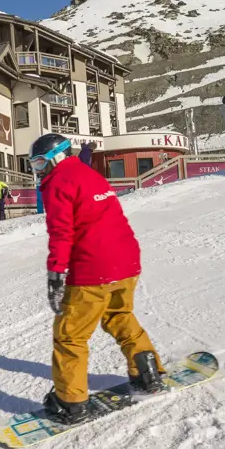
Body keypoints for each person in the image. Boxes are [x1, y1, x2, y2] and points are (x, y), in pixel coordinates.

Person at [30, 133, 166, 425]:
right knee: (119, 315)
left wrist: (56, 273)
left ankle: (71, 402)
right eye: (34, 164)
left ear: (57, 156)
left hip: (93, 268)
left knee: (70, 335)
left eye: (40, 162)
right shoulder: (89, 174)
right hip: (127, 260)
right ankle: (147, 371)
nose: (39, 170)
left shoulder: (57, 183)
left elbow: (61, 233)